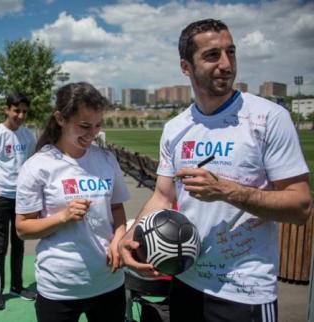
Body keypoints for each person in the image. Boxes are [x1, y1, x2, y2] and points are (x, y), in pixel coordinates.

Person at [119, 19, 312, 322]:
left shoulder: (268, 118)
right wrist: (130, 236)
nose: (226, 63)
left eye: (231, 52)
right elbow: (161, 195)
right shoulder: (175, 128)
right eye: (212, 55)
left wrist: (227, 191)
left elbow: (300, 206)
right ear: (186, 66)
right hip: (185, 280)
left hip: (245, 292)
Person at [15, 82, 129, 322]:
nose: (92, 134)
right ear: (60, 118)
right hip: (60, 288)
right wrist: (63, 217)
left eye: (97, 125)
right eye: (84, 126)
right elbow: (23, 228)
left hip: (109, 282)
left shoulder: (107, 160)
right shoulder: (38, 165)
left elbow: (117, 208)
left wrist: (119, 238)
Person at [0, 92, 37, 310]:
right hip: (1, 197)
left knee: (19, 244)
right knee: (0, 247)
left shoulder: (28, 136)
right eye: (16, 110)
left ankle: (18, 287)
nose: (20, 115)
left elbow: (31, 167)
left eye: (24, 112)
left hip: (22, 200)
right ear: (7, 109)